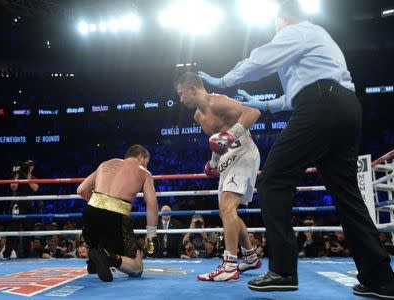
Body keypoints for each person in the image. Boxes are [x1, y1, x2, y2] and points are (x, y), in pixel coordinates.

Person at [197, 1, 394, 298]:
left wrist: (224, 81)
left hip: (322, 105)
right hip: (344, 108)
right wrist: (264, 104)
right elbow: (295, 95)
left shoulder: (298, 30)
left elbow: (261, 60)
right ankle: (380, 279)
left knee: (273, 180)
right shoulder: (317, 40)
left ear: (281, 18)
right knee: (347, 197)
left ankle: (283, 270)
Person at [176, 72, 262, 281]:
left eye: (181, 94)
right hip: (227, 159)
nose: (180, 99)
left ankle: (230, 265)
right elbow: (218, 141)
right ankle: (250, 256)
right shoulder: (198, 116)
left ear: (193, 89)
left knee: (227, 208)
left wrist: (230, 136)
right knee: (227, 212)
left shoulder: (218, 102)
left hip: (244, 152)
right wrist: (213, 162)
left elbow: (253, 112)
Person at [77, 144, 159, 282]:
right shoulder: (144, 173)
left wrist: (100, 205)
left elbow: (81, 190)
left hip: (90, 213)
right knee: (137, 268)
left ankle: (95, 260)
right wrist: (151, 235)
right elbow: (152, 203)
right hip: (116, 217)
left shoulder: (105, 164)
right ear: (141, 156)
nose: (146, 167)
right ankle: (108, 258)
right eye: (146, 163)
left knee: (103, 240)